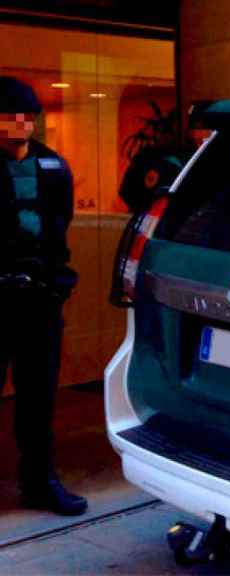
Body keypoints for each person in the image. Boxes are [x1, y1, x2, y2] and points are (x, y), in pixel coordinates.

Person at [0, 76, 87, 516]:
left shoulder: (53, 167)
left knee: (38, 400)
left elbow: (60, 227)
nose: (20, 123)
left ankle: (39, 483)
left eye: (26, 115)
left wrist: (55, 285)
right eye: (10, 115)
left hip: (40, 300)